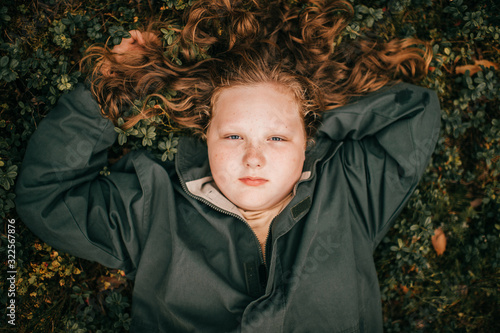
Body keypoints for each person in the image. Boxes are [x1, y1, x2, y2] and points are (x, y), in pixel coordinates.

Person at [15, 0, 441, 331]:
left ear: (308, 140)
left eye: (277, 138)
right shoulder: (151, 208)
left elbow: (414, 112)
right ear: (206, 135)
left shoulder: (350, 191)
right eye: (234, 135)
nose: (253, 157)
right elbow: (48, 197)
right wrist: (111, 87)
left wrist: (306, 114)